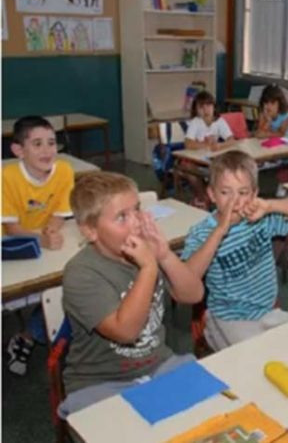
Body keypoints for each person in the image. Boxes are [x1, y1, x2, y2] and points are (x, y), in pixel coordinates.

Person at [59, 172, 204, 417]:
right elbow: (125, 332)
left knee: (214, 417)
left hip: (159, 365)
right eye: (121, 217)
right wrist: (148, 268)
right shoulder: (81, 273)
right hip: (100, 381)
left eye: (137, 210)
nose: (136, 222)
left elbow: (193, 294)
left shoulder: (146, 251)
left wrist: (165, 256)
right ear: (90, 231)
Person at [181, 150, 288, 350]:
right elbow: (187, 279)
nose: (234, 201)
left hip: (268, 312)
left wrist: (270, 205)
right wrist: (219, 232)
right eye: (225, 192)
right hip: (229, 318)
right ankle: (211, 333)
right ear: (211, 194)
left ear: (254, 194)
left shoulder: (260, 218)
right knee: (254, 360)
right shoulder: (202, 233)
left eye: (243, 193)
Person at [2, 116, 75, 376]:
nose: (47, 151)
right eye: (37, 144)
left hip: (44, 247)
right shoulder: (6, 177)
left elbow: (61, 211)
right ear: (18, 150)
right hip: (11, 250)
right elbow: (11, 229)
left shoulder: (64, 170)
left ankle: (27, 337)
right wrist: (42, 238)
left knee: (66, 287)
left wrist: (51, 230)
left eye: (52, 143)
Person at [184, 90, 235, 209]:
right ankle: (204, 197)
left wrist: (219, 145)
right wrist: (205, 145)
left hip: (214, 160)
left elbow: (231, 139)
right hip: (197, 160)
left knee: (225, 169)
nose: (205, 110)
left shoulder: (219, 121)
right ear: (196, 109)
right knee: (188, 170)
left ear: (214, 107)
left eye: (208, 106)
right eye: (201, 107)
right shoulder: (196, 122)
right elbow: (188, 143)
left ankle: (206, 197)